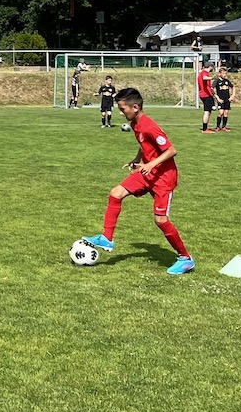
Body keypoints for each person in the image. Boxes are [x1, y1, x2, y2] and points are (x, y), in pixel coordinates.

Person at [83, 87, 194, 275]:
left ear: (135, 107)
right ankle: (107, 238)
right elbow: (144, 146)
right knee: (115, 193)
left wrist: (151, 164)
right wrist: (137, 159)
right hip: (147, 172)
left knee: (160, 220)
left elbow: (171, 150)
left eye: (122, 109)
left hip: (163, 178)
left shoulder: (149, 126)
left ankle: (185, 258)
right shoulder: (135, 123)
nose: (121, 113)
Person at [214, 65, 235, 131]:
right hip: (220, 99)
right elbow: (212, 89)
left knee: (226, 113)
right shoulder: (217, 81)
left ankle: (224, 127)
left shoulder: (227, 81)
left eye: (225, 73)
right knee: (221, 113)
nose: (224, 75)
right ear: (220, 73)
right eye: (223, 73)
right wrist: (217, 98)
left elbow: (233, 87)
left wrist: (233, 95)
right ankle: (217, 126)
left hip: (227, 99)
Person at [197, 59, 215, 132]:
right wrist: (212, 78)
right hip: (205, 95)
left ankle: (206, 126)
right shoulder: (204, 72)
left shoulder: (201, 73)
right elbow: (204, 78)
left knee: (208, 111)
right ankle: (204, 129)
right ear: (210, 67)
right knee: (207, 111)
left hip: (205, 94)